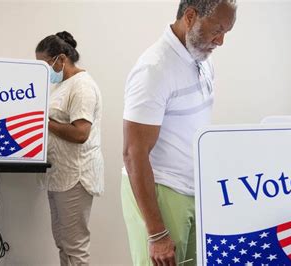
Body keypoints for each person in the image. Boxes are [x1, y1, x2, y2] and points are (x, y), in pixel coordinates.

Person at [122, 1, 237, 265]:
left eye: (226, 32)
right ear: (190, 16)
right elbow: (132, 153)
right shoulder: (154, 69)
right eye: (217, 30)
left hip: (192, 190)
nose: (220, 41)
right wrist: (157, 232)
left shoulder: (202, 60)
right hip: (162, 189)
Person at [36, 31, 104, 266]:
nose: (43, 71)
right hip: (59, 175)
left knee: (75, 248)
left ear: (61, 59)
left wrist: (46, 123)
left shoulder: (82, 86)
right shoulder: (63, 85)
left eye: (45, 64)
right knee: (63, 243)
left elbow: (80, 133)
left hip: (76, 177)